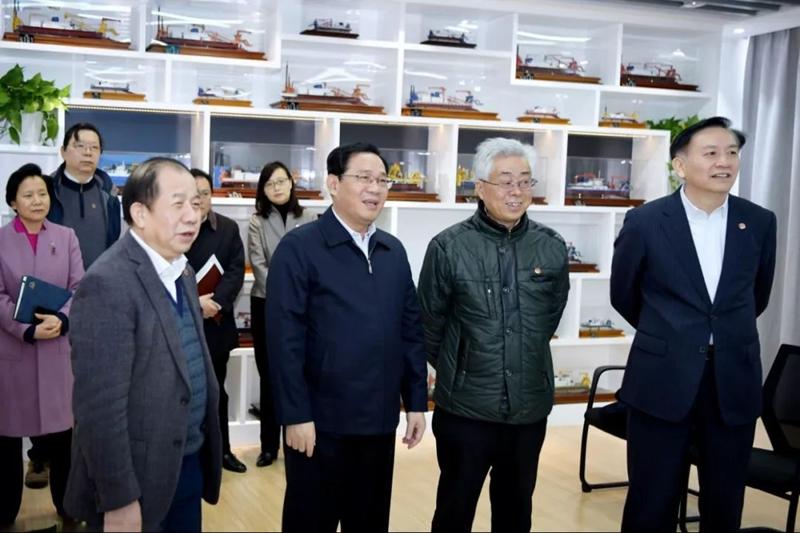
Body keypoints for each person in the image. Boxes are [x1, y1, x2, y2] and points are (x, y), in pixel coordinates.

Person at [610, 116, 777, 532]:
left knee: (725, 501)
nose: (724, 162)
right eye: (711, 153)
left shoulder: (759, 221)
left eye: (732, 153)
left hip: (732, 380)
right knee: (652, 500)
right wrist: (672, 334)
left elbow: (757, 296)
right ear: (680, 165)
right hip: (662, 379)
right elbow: (624, 294)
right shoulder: (646, 221)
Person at [266, 142, 428, 532]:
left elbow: (410, 331)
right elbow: (284, 340)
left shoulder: (392, 251)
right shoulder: (299, 248)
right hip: (320, 425)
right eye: (363, 178)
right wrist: (296, 414)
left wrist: (416, 402)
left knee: (369, 522)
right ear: (334, 184)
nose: (375, 188)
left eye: (382, 180)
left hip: (378, 421)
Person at [418, 137, 570, 533]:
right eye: (505, 181)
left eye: (525, 181)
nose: (516, 191)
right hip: (465, 409)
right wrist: (462, 365)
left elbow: (549, 317)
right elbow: (429, 324)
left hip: (529, 408)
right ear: (480, 188)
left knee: (516, 512)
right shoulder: (448, 247)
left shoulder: (551, 247)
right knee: (454, 510)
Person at [64, 157, 223, 532]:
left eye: (196, 204)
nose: (192, 216)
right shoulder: (108, 282)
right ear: (139, 213)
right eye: (178, 204)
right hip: (136, 477)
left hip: (186, 461)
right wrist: (118, 497)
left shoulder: (181, 269)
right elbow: (99, 409)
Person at [25, 122, 120, 491]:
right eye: (80, 146)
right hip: (51, 299)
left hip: (96, 300)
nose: (88, 153)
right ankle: (40, 455)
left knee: (88, 380)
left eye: (95, 147)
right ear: (64, 150)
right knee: (46, 380)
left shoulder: (109, 196)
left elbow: (113, 247)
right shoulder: (45, 191)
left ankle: (82, 459)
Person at [0, 163, 84, 526]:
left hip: (56, 349)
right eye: (28, 195)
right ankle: (4, 510)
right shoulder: (0, 240)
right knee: (6, 437)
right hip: (13, 351)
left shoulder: (66, 237)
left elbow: (79, 288)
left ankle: (69, 506)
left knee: (64, 436)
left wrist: (62, 320)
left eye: (42, 194)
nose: (37, 201)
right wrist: (25, 329)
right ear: (12, 202)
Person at [246, 161, 316, 468]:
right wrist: (283, 293)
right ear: (263, 189)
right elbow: (258, 263)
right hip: (266, 303)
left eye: (281, 181)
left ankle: (297, 439)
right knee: (270, 374)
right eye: (270, 183)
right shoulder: (256, 221)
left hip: (305, 306)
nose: (276, 188)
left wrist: (297, 294)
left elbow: (314, 262)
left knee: (301, 372)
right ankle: (268, 446)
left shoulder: (309, 217)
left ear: (291, 183)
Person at [186, 169, 246, 473]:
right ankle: (188, 455)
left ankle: (222, 452)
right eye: (193, 193)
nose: (199, 199)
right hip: (183, 326)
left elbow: (236, 270)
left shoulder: (227, 229)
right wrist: (195, 303)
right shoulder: (174, 227)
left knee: (217, 391)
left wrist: (216, 303)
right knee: (185, 392)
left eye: (205, 193)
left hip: (217, 324)